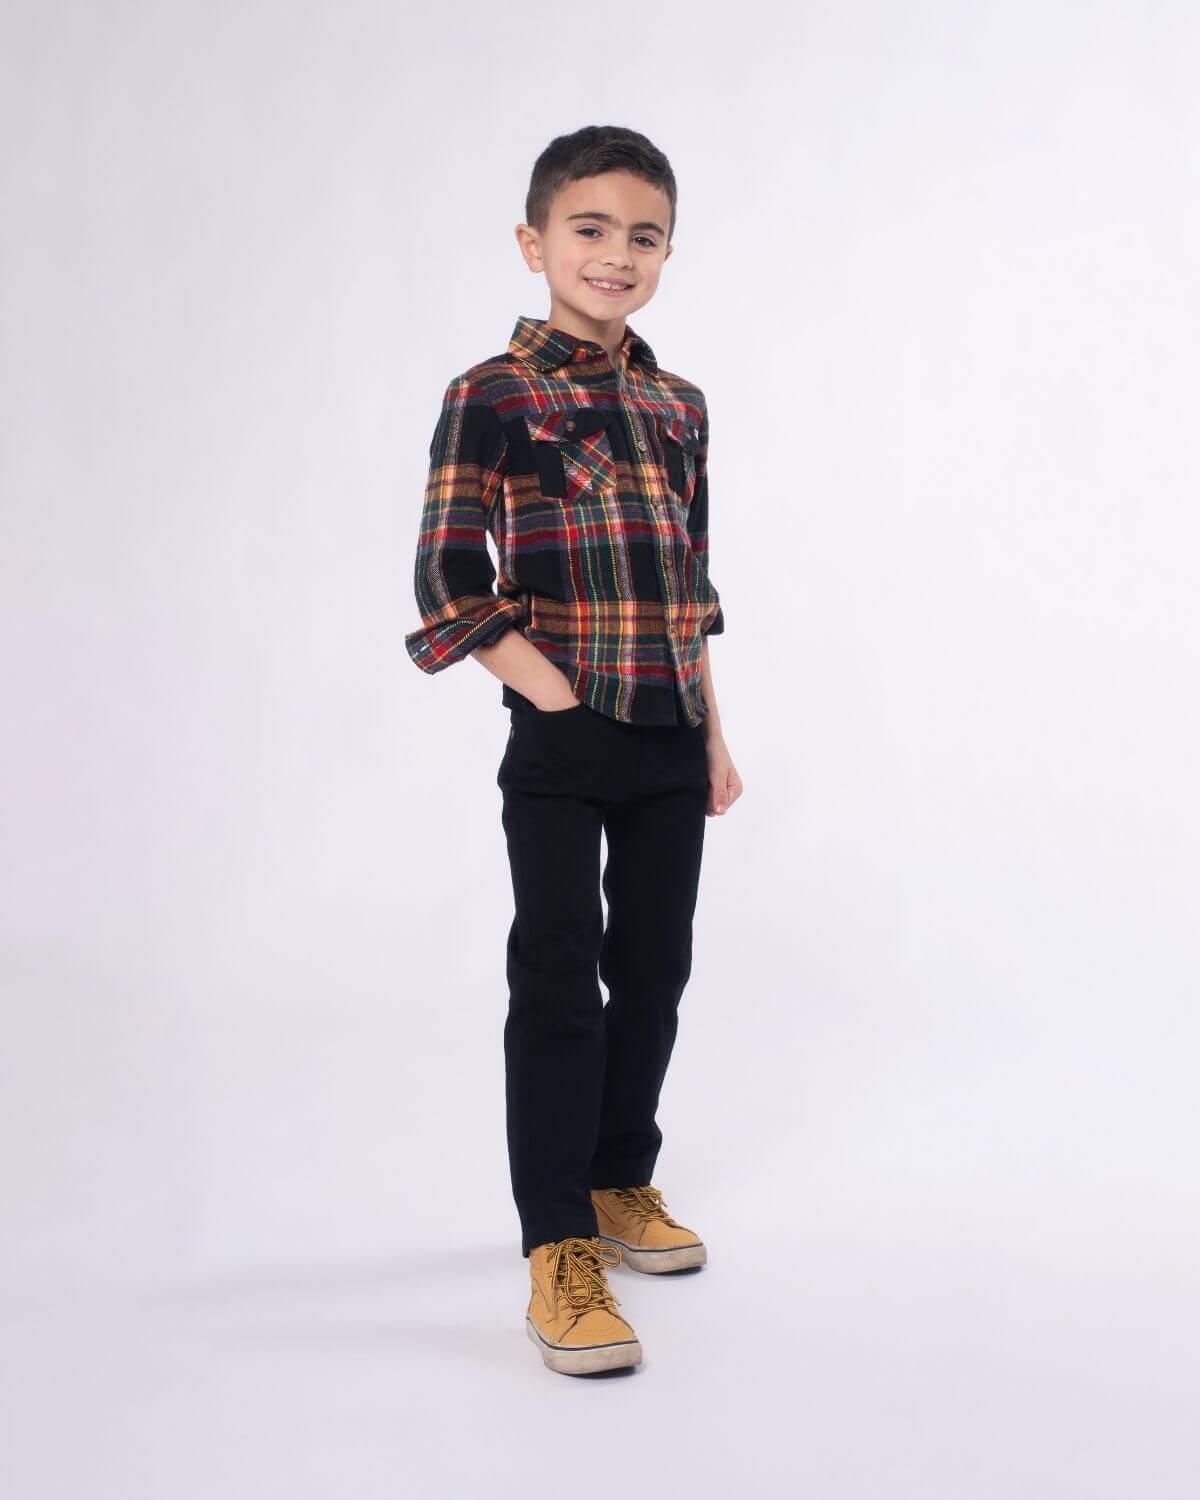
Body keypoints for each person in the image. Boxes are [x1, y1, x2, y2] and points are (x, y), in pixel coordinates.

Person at [404, 124, 743, 1376]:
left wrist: (713, 732)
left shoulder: (679, 405)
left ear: (667, 254)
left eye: (644, 236)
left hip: (671, 733)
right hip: (563, 735)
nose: (616, 255)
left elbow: (690, 588)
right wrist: (551, 692)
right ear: (534, 241)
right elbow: (448, 579)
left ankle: (616, 1180)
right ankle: (558, 1248)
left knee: (654, 968)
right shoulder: (491, 395)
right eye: (590, 229)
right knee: (559, 977)